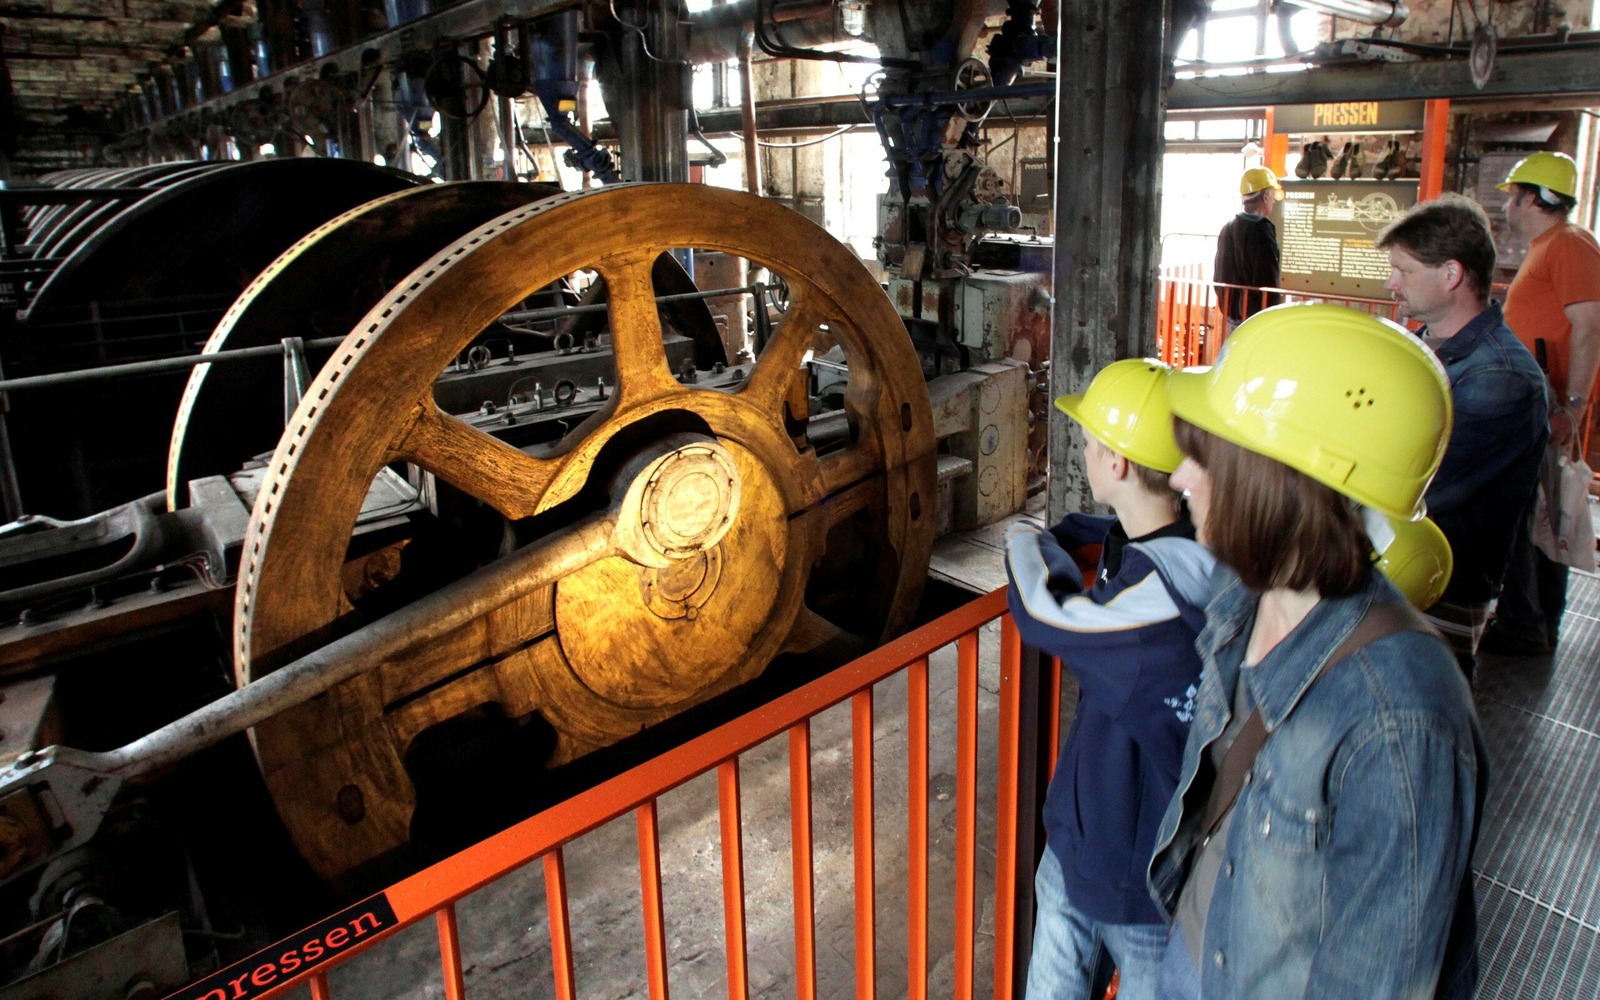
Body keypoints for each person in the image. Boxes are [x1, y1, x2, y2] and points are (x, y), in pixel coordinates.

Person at [1147, 304, 1487, 999]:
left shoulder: (1400, 718)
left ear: (1277, 479)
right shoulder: (1242, 592)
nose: (1179, 478)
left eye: (1205, 455)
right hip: (1196, 953)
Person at [1005, 359, 1216, 1000]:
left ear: (1117, 464)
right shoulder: (1192, 546)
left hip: (1135, 872)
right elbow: (1124, 537)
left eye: (1091, 443)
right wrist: (1075, 533)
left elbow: (1046, 612)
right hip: (1094, 844)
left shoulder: (1155, 606)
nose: (1086, 452)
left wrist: (1025, 537)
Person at [1375, 195, 1548, 676]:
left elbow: (1422, 486)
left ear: (1451, 274)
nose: (1391, 283)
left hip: (1440, 583)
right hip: (1390, 564)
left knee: (1416, 700)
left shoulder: (1502, 378)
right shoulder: (1421, 346)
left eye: (1404, 271)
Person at [1489, 151, 1600, 654]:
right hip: (1538, 403)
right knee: (1532, 515)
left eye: (1512, 196)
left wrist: (1572, 407)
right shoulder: (1551, 246)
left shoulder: (1569, 245)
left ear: (1533, 198)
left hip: (1549, 407)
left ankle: (1527, 624)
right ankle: (1528, 620)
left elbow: (1590, 326)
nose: (1506, 206)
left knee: (1534, 517)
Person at [1214, 167, 1283, 332]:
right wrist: (1274, 314)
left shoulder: (1227, 227)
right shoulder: (1261, 230)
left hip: (1231, 313)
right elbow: (1268, 280)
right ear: (1265, 197)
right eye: (1272, 196)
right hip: (1254, 318)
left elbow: (1218, 274)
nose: (1273, 202)